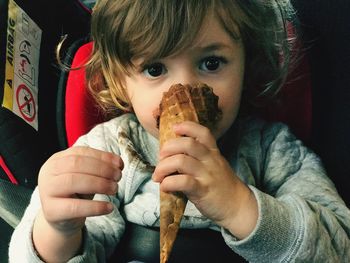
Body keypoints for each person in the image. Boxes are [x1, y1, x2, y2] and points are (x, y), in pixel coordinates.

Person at [9, 0, 350, 262]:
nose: (185, 86)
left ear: (248, 63)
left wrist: (240, 207)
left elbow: (339, 246)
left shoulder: (271, 149)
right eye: (155, 69)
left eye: (212, 63)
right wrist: (57, 229)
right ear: (120, 83)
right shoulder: (109, 150)